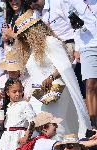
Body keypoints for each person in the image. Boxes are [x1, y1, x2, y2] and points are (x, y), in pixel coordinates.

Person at [14, 9, 91, 138]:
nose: (24, 39)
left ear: (34, 30)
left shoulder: (50, 41)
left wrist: (51, 77)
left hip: (55, 90)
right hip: (38, 94)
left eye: (26, 34)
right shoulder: (32, 50)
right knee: (41, 130)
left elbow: (66, 66)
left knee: (55, 127)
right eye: (21, 36)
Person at [65, 0, 97, 128]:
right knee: (90, 85)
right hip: (87, 46)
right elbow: (75, 28)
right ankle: (94, 127)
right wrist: (77, 48)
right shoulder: (72, 2)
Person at [0, 78, 36, 150]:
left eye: (20, 91)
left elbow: (33, 121)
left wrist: (26, 136)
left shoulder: (25, 105)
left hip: (18, 136)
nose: (18, 94)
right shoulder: (7, 106)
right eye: (14, 91)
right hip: (6, 137)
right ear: (8, 93)